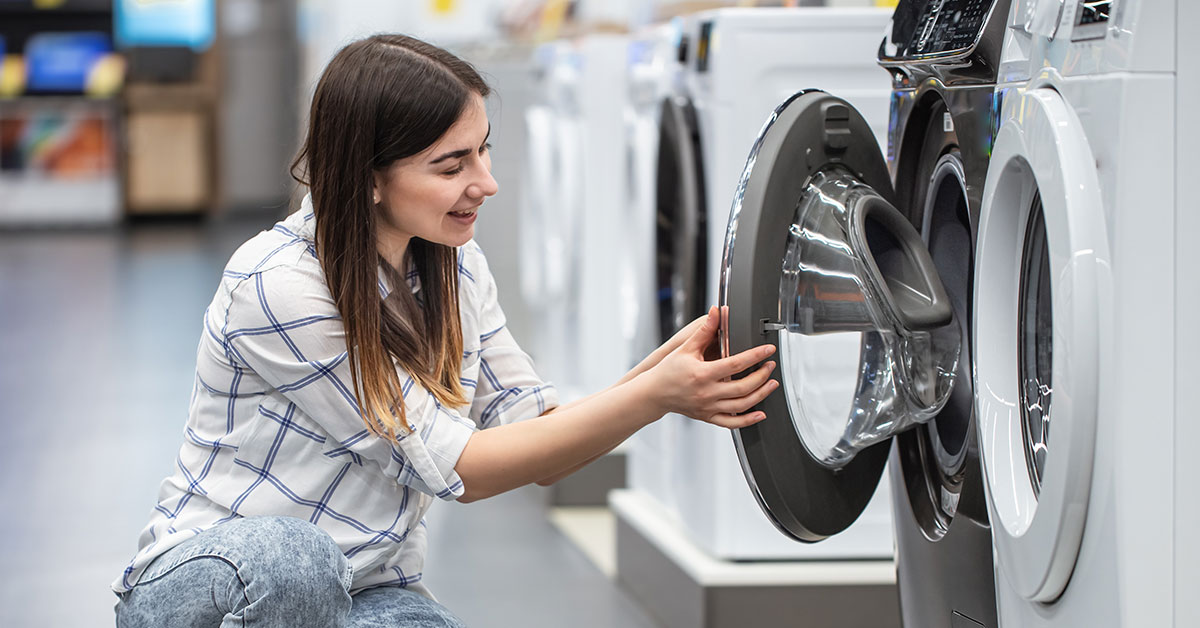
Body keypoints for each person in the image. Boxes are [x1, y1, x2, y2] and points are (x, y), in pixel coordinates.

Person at [111, 33, 778, 627]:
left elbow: (533, 433)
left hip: (363, 585)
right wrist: (654, 395)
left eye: (483, 151)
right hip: (208, 582)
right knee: (297, 558)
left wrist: (659, 376)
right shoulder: (280, 284)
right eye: (452, 165)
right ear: (369, 178)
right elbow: (461, 469)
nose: (486, 183)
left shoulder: (456, 272)